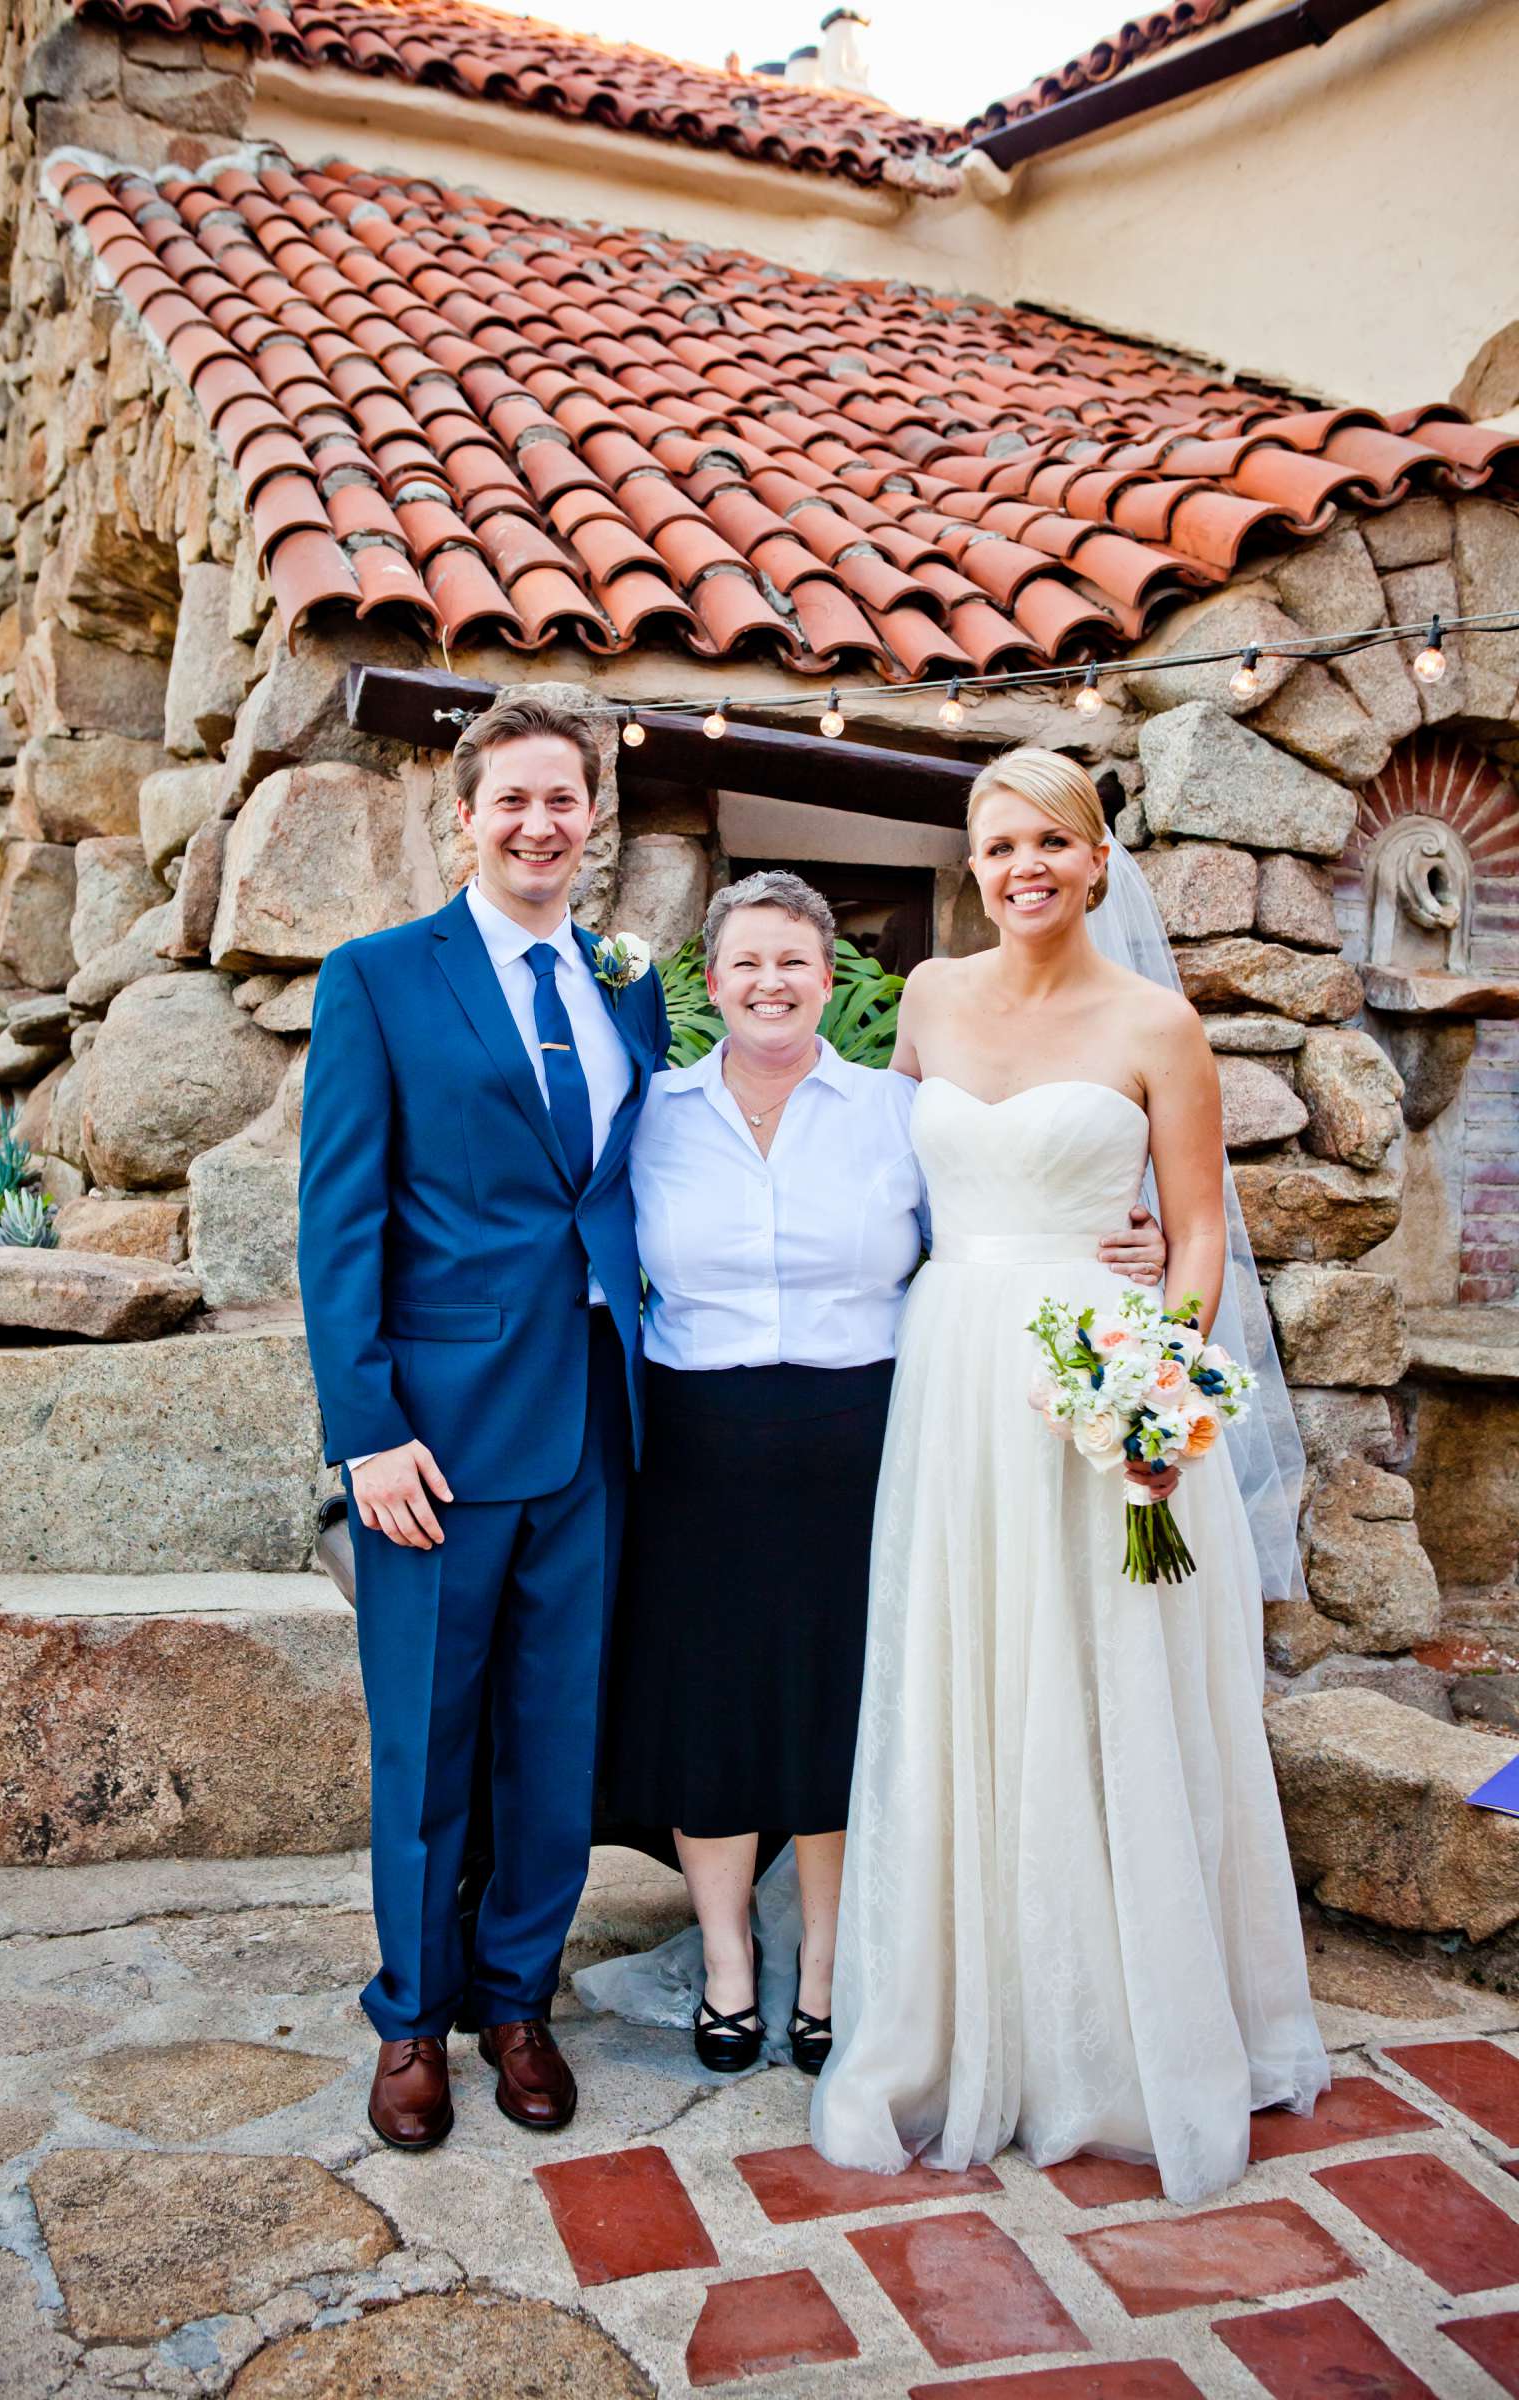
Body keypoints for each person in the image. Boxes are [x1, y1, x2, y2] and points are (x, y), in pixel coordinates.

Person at [812, 747, 1328, 2204]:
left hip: (1102, 1387)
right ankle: (963, 2012)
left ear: (1099, 860)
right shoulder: (924, 998)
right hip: (952, 1370)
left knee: (1108, 1677)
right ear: (971, 867)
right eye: (996, 846)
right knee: (970, 1668)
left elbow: (1204, 1227)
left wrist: (1161, 1346)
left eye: (1050, 842)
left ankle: (1120, 2026)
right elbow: (881, 1177)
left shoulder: (1159, 1023)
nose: (1022, 867)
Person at [593, 869, 1167, 2078]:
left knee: (841, 1708)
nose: (770, 984)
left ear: (828, 977)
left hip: (865, 1436)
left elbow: (998, 1221)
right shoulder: (648, 1114)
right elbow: (581, 1249)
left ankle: (826, 1973)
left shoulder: (894, 1111)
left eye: (794, 961)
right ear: (709, 981)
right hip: (696, 1443)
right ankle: (729, 1964)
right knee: (712, 1711)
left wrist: (1139, 1239)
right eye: (746, 962)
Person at [297, 693, 670, 2151]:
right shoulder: (379, 980)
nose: (538, 825)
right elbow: (336, 1226)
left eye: (562, 801)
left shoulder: (627, 984)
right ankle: (414, 2021)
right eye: (510, 801)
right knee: (429, 1746)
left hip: (595, 1430)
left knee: (552, 1742)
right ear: (467, 816)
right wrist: (366, 1429)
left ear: (593, 819)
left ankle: (518, 2002)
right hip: (434, 1442)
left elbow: (630, 1189)